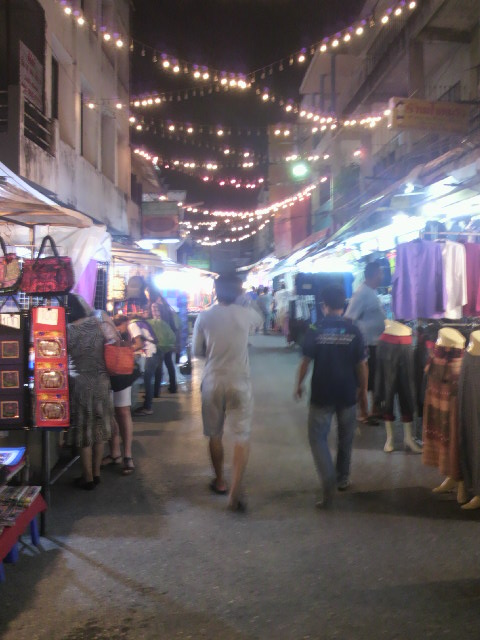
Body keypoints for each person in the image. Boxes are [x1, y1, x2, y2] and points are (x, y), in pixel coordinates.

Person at [192, 273, 263, 512]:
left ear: (215, 290)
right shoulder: (246, 314)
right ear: (239, 291)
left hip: (213, 381)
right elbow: (260, 320)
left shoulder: (204, 316)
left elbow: (196, 351)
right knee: (242, 436)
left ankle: (220, 481)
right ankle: (235, 492)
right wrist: (245, 300)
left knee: (214, 434)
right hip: (240, 382)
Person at [295, 285, 367, 508]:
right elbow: (362, 366)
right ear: (343, 305)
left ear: (324, 305)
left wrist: (299, 384)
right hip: (347, 392)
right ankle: (342, 478)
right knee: (346, 438)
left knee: (317, 438)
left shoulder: (315, 329)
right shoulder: (354, 330)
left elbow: (306, 361)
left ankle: (328, 480)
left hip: (322, 393)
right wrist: (363, 393)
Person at [67, 294, 113, 490]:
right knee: (99, 428)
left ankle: (87, 478)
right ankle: (96, 473)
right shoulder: (97, 323)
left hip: (81, 384)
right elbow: (111, 341)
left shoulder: (68, 330)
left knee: (84, 431)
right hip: (102, 381)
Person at [345, 261, 385, 423]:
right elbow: (348, 318)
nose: (382, 277)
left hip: (374, 343)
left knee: (374, 378)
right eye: (381, 273)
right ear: (374, 275)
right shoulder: (361, 293)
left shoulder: (371, 291)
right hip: (366, 344)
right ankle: (362, 413)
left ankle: (374, 409)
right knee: (364, 380)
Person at [101, 315, 136, 475]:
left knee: (123, 412)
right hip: (103, 373)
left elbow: (128, 343)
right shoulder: (98, 320)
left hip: (119, 371)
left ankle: (127, 455)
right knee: (109, 414)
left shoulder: (103, 320)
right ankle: (115, 453)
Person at [130, 313, 159, 416]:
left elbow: (139, 344)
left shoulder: (132, 325)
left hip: (150, 353)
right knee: (148, 379)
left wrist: (127, 350)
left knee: (147, 380)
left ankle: (148, 407)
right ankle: (147, 405)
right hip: (154, 352)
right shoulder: (142, 323)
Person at [149, 295, 179, 395]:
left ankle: (156, 391)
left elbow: (157, 322)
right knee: (169, 362)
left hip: (160, 339)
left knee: (159, 365)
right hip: (168, 338)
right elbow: (173, 326)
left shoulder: (155, 305)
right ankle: (173, 387)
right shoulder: (167, 308)